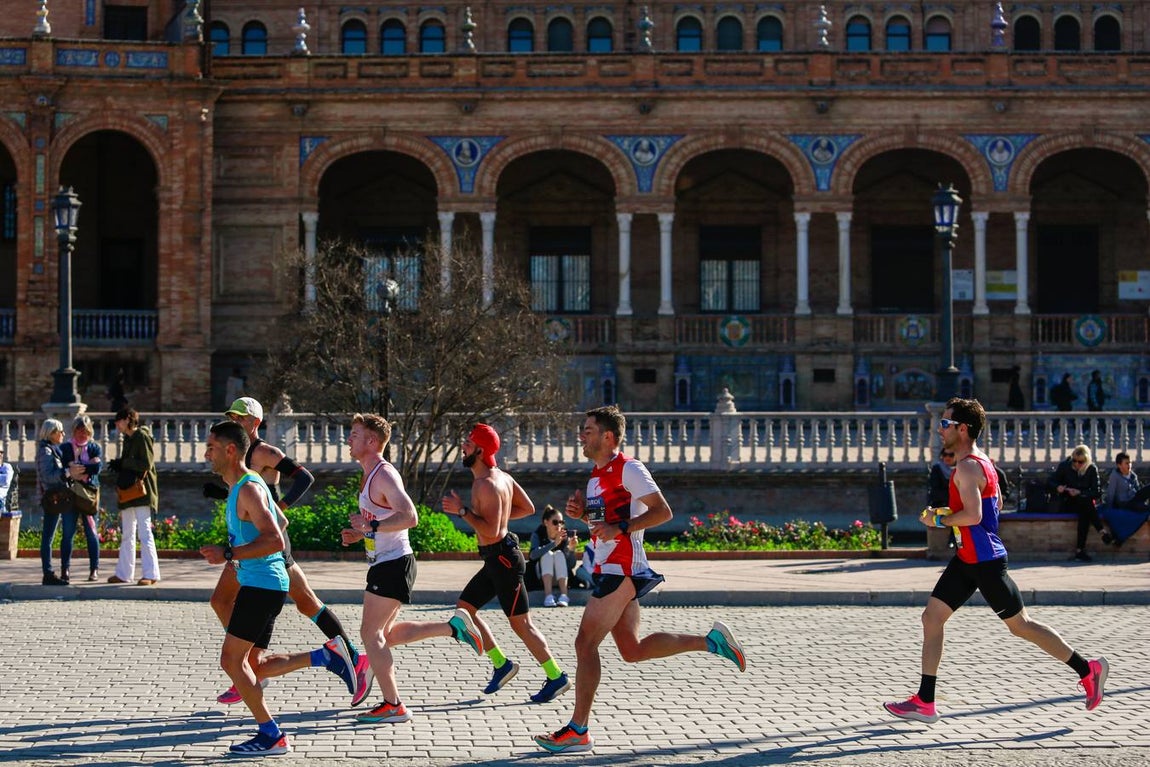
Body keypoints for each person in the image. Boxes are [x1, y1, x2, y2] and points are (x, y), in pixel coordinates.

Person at [534, 406, 746, 754]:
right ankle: (711, 641)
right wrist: (582, 513)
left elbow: (663, 511)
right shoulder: (595, 477)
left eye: (588, 430)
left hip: (622, 568)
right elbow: (603, 523)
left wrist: (622, 528)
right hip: (608, 567)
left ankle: (578, 730)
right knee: (631, 650)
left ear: (608, 436)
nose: (581, 436)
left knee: (584, 645)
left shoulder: (629, 469)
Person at [884, 397, 1108, 724]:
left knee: (1022, 627)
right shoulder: (981, 461)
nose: (939, 428)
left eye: (945, 423)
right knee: (932, 618)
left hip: (986, 562)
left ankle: (1089, 670)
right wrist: (952, 515)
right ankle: (925, 702)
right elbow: (996, 504)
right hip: (968, 559)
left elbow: (974, 515)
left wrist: (939, 520)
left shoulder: (967, 466)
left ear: (962, 429)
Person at [199, 420, 358, 756]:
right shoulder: (242, 486)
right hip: (258, 582)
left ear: (230, 450)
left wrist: (229, 553)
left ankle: (271, 734)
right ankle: (325, 656)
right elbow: (280, 522)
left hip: (263, 585)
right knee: (248, 664)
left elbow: (273, 539)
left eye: (211, 446)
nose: (206, 452)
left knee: (232, 660)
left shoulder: (248, 488)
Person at [338, 413, 484, 725]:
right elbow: (382, 523)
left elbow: (410, 516)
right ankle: (453, 627)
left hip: (393, 564)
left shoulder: (384, 475)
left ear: (372, 441)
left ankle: (394, 704)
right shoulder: (370, 475)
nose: (348, 439)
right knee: (385, 634)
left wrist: (372, 525)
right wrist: (362, 532)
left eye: (354, 434)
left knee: (370, 632)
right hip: (388, 563)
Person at [442, 423, 571, 704]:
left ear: (480, 449)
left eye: (468, 442)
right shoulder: (503, 478)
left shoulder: (484, 484)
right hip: (496, 558)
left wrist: (463, 511)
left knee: (521, 624)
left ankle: (556, 675)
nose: (463, 446)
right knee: (465, 610)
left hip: (503, 560)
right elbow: (527, 509)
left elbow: (490, 531)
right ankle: (501, 664)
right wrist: (498, 516)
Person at [106, 408, 161, 585]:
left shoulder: (141, 437)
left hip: (141, 491)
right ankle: (123, 573)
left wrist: (124, 463)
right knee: (127, 533)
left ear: (127, 420)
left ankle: (151, 574)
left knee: (144, 532)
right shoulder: (128, 439)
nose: (117, 424)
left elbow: (146, 463)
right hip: (128, 491)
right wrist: (121, 466)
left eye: (119, 420)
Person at [59, 415, 103, 582]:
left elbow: (97, 467)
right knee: (67, 533)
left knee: (91, 533)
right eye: (78, 431)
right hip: (69, 496)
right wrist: (74, 468)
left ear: (89, 432)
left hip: (87, 496)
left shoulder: (93, 448)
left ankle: (94, 570)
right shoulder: (65, 447)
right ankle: (65, 570)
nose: (81, 435)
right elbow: (62, 467)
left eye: (85, 432)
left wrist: (76, 468)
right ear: (74, 431)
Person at [1047, 445, 1106, 561]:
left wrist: (1080, 492)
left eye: (1080, 462)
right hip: (1067, 501)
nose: (1077, 464)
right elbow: (1050, 481)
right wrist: (1058, 487)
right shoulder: (1065, 466)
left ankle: (1080, 550)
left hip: (1083, 502)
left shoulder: (1091, 469)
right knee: (1086, 506)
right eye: (1074, 461)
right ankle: (1101, 530)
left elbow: (1096, 492)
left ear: (1086, 461)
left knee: (1084, 508)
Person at [37, 418, 73, 586]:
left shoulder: (53, 449)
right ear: (51, 433)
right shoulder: (46, 451)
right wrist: (65, 473)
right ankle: (48, 573)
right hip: (52, 499)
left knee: (50, 536)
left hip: (57, 497)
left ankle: (49, 572)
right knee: (48, 537)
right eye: (60, 431)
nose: (63, 434)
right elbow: (47, 476)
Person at [528, 505, 576, 607]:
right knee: (548, 554)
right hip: (541, 577)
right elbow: (532, 556)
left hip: (560, 578)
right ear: (546, 522)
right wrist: (553, 544)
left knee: (559, 554)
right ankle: (548, 596)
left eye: (561, 522)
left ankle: (564, 596)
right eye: (555, 522)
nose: (559, 526)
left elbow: (571, 565)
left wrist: (571, 550)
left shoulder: (565, 536)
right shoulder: (538, 534)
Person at [0, 448, 13, 515]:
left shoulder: (6, 467)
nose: (0, 454)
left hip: (1, 499)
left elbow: (6, 481)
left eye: (1, 452)